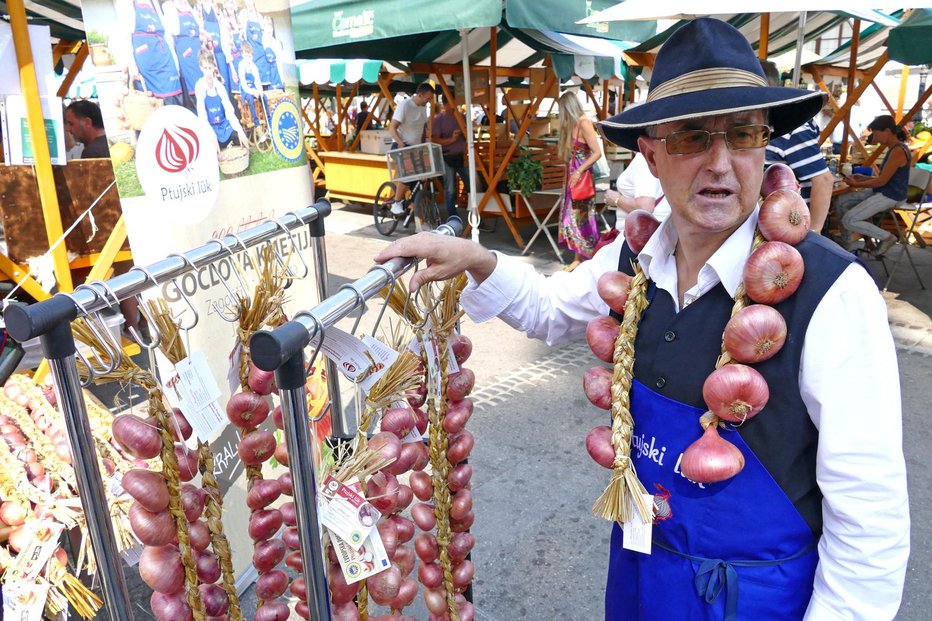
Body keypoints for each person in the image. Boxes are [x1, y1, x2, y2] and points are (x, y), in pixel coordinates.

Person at [375, 18, 908, 621]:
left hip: (753, 600)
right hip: (639, 572)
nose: (721, 163)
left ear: (766, 147)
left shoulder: (833, 294)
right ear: (651, 156)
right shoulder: (633, 255)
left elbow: (870, 525)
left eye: (742, 134)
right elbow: (550, 310)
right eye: (690, 138)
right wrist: (479, 259)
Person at [760, 61, 835, 233]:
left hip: (790, 227)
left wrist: (813, 233)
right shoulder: (765, 124)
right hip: (771, 224)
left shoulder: (791, 129)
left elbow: (824, 181)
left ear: (769, 87)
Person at [833, 115, 912, 256]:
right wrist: (863, 177)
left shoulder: (898, 150)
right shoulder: (894, 148)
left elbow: (882, 181)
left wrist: (857, 182)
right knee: (840, 202)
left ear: (887, 131)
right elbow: (886, 178)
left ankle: (887, 237)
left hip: (891, 195)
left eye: (876, 133)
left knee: (849, 220)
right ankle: (848, 244)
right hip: (885, 190)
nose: (875, 137)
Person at [557, 91, 602, 270]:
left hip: (582, 179)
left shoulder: (584, 122)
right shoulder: (572, 124)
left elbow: (597, 152)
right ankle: (579, 257)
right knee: (572, 218)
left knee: (581, 217)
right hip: (573, 179)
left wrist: (579, 171)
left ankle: (588, 256)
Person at [118, 0, 183, 107]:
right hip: (147, 63)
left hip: (165, 58)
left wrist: (176, 64)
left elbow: (168, 37)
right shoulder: (127, 3)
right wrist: (132, 65)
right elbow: (125, 36)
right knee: (152, 103)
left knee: (174, 95)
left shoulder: (155, 4)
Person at [388, 82, 436, 215]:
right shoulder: (405, 105)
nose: (429, 101)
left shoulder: (423, 107)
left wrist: (427, 141)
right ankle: (396, 203)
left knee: (420, 178)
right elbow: (392, 127)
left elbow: (423, 128)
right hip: (401, 146)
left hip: (415, 148)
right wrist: (400, 142)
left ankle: (415, 214)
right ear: (419, 95)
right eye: (427, 98)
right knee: (408, 173)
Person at [195, 48, 247, 152]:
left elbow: (229, 111)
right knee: (208, 144)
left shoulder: (219, 86)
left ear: (214, 67)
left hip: (223, 126)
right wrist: (212, 135)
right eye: (205, 68)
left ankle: (229, 144)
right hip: (210, 127)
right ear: (201, 68)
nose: (208, 72)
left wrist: (239, 130)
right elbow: (202, 116)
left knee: (238, 135)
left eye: (210, 68)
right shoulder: (199, 86)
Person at [603, 153, 670, 231]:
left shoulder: (642, 160)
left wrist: (616, 199)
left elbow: (645, 207)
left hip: (638, 232)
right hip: (653, 229)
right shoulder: (658, 156)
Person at [431, 95, 468, 221]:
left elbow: (469, 135)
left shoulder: (462, 117)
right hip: (446, 156)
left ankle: (475, 216)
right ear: (445, 104)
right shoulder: (439, 119)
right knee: (451, 189)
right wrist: (451, 139)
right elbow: (435, 140)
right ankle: (452, 216)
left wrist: (464, 134)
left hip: (462, 157)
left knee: (471, 186)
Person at [162, 0, 203, 108]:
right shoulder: (170, 8)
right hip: (186, 59)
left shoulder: (191, 9)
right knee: (193, 93)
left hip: (199, 57)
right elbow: (170, 38)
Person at [237, 40, 263, 129]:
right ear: (242, 54)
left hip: (253, 88)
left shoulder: (253, 66)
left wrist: (259, 90)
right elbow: (244, 84)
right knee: (250, 99)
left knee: (264, 97)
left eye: (250, 56)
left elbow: (257, 80)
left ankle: (268, 117)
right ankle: (256, 123)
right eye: (246, 56)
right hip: (246, 90)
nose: (248, 58)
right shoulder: (241, 65)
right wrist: (252, 92)